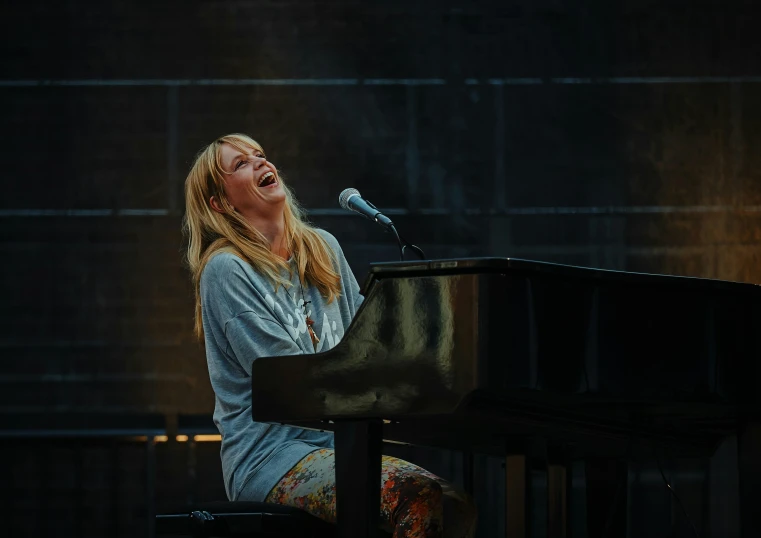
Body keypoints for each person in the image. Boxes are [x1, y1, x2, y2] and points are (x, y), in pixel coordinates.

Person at [183, 133, 477, 537]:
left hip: (342, 447)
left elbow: (366, 345)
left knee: (452, 503)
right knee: (418, 495)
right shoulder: (226, 269)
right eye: (241, 164)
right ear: (220, 203)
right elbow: (290, 381)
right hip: (272, 458)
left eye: (260, 155)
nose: (260, 163)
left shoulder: (323, 248)